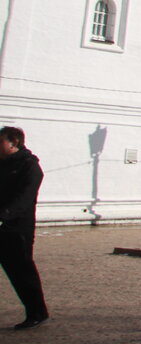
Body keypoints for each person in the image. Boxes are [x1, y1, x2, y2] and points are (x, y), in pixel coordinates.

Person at [0, 126, 48, 330]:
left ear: (14, 142)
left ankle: (37, 312)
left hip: (17, 229)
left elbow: (25, 198)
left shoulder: (30, 166)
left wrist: (4, 216)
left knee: (22, 273)